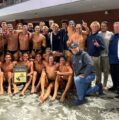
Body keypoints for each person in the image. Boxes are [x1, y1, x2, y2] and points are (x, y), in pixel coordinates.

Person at [99, 21, 113, 89]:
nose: (102, 27)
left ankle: (104, 85)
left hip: (107, 55)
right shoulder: (98, 33)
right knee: (98, 71)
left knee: (106, 71)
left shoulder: (110, 34)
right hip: (99, 55)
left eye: (104, 26)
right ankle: (98, 84)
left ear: (107, 27)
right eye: (101, 26)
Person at [109, 22, 119, 98]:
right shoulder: (112, 36)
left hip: (118, 59)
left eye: (117, 27)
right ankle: (115, 86)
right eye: (115, 27)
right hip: (112, 59)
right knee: (113, 74)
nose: (116, 28)